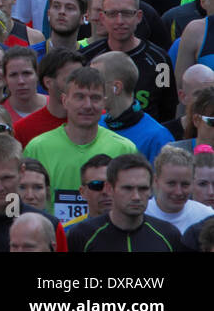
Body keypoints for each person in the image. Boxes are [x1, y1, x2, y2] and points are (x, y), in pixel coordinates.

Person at [26, 67, 138, 223]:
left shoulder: (125, 149)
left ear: (104, 103)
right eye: (80, 97)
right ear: (65, 101)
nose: (87, 105)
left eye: (95, 98)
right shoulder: (38, 147)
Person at [67, 154, 182, 251]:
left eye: (143, 188)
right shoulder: (81, 236)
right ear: (109, 189)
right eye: (127, 188)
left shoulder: (169, 235)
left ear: (151, 189)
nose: (136, 197)